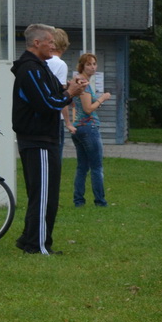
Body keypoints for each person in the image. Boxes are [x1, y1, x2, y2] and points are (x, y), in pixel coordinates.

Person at [10, 23, 87, 255]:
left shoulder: (40, 68)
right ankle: (37, 246)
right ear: (37, 43)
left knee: (44, 194)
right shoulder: (30, 69)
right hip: (38, 140)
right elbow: (46, 104)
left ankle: (29, 239)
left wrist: (69, 88)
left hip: (44, 139)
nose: (54, 46)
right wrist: (70, 94)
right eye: (50, 42)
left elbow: (54, 95)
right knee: (44, 196)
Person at [70, 52, 112, 208]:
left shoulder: (77, 81)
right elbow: (88, 109)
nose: (92, 67)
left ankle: (78, 201)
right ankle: (100, 202)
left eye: (94, 64)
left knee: (82, 167)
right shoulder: (83, 83)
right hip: (89, 128)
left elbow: (76, 106)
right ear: (82, 66)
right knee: (96, 167)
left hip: (78, 127)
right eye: (88, 64)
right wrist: (102, 98)